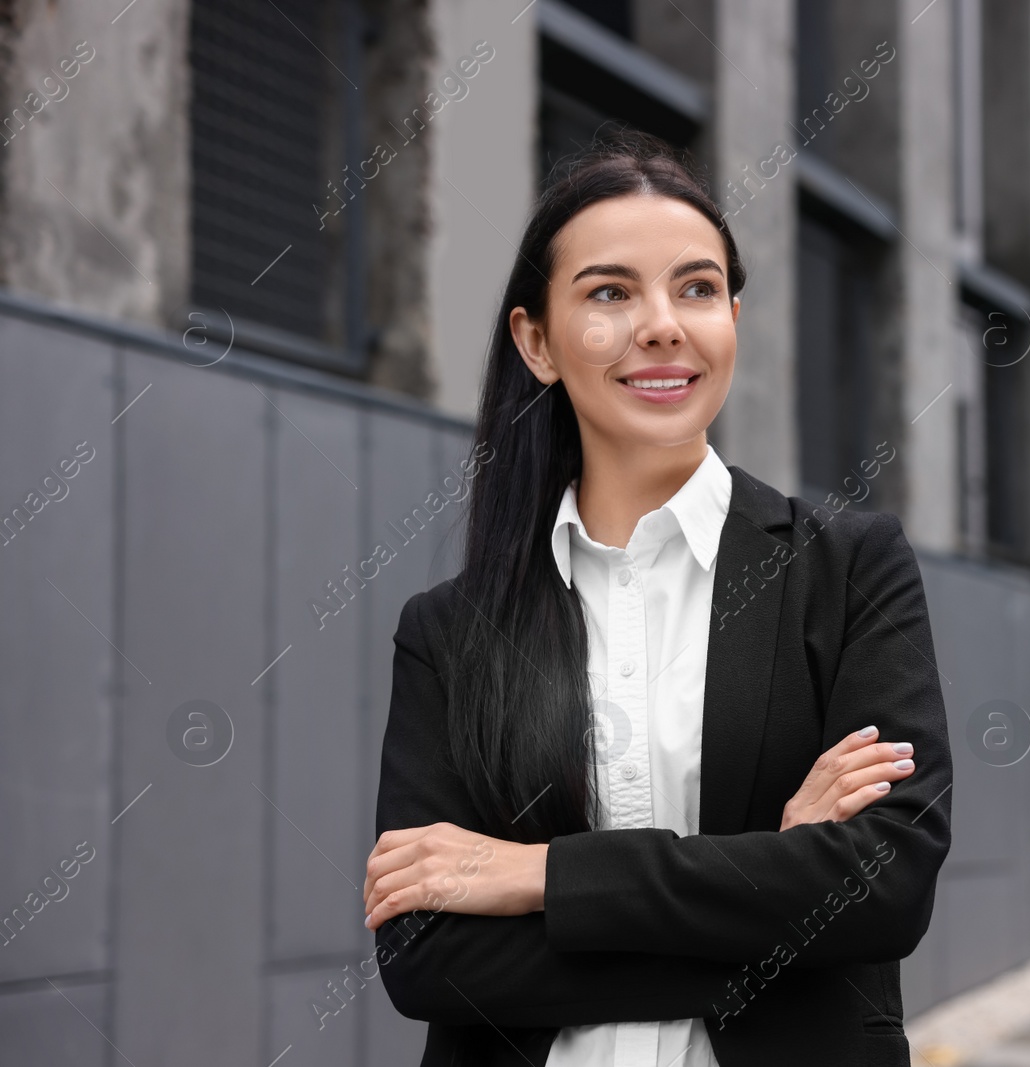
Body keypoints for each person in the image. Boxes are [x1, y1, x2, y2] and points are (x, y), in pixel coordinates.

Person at [361, 130, 953, 1067]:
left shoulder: (847, 570)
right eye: (609, 292)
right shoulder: (450, 631)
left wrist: (538, 876)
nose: (663, 324)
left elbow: (881, 884)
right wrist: (768, 873)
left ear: (731, 318)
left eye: (696, 287)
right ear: (537, 341)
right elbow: (429, 955)